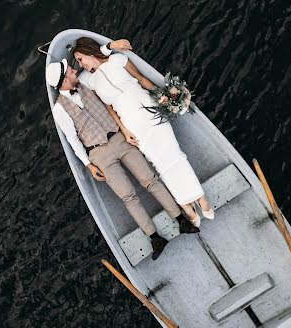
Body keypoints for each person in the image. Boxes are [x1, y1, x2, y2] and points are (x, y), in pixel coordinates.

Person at [46, 45, 198, 260]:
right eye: (69, 71)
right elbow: (72, 139)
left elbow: (98, 60)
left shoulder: (84, 83)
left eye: (73, 66)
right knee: (128, 196)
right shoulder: (59, 109)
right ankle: (155, 237)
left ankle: (180, 219)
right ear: (63, 81)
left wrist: (108, 46)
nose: (73, 69)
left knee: (150, 179)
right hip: (99, 154)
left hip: (118, 138)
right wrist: (89, 165)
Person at [72, 37, 214, 224]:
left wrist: (164, 96)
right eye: (78, 62)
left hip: (147, 107)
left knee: (174, 154)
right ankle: (185, 204)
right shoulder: (89, 80)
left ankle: (200, 198)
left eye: (80, 59)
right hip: (130, 121)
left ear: (89, 52)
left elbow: (141, 78)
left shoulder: (118, 59)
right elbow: (108, 108)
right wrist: (123, 130)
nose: (80, 64)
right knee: (158, 163)